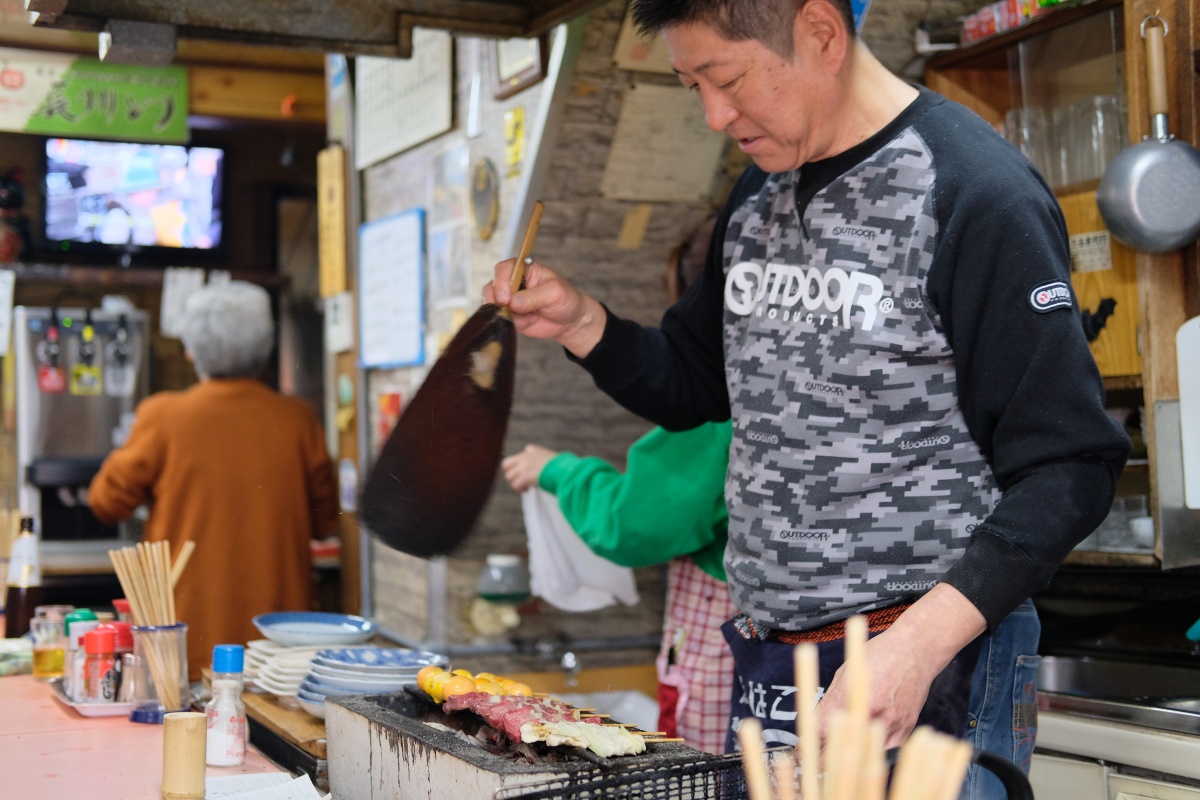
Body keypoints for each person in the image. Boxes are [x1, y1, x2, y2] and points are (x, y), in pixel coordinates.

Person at [485, 0, 1130, 792]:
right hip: (772, 663)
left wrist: (916, 648)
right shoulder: (758, 195)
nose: (718, 116)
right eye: (693, 88)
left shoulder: (971, 191)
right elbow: (694, 385)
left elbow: (1071, 464)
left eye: (726, 80)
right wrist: (584, 322)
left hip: (925, 663)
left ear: (820, 32)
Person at [502, 214, 738, 755]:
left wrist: (559, 471)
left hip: (726, 642)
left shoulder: (720, 403)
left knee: (716, 776)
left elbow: (636, 523)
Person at [88, 281, 339, 679]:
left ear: (191, 350)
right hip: (278, 656)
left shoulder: (163, 415)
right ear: (266, 350)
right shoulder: (298, 420)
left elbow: (105, 501)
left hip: (183, 646)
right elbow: (327, 521)